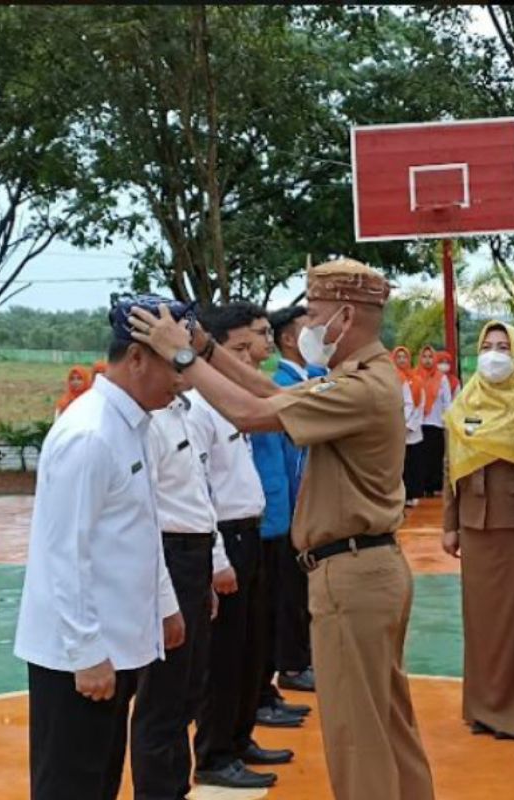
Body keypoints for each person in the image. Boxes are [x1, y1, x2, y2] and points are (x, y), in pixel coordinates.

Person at [127, 258, 435, 800]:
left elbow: (250, 413)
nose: (306, 327)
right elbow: (272, 394)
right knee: (386, 722)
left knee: (357, 737)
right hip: (365, 567)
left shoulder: (360, 388)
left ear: (343, 316)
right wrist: (204, 349)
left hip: (352, 571)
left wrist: (180, 354)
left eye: (314, 313)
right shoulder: (361, 378)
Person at [13, 296, 186, 800]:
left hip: (114, 646)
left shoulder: (130, 426)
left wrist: (167, 606)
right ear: (136, 358)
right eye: (173, 363)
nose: (182, 378)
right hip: (80, 655)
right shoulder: (89, 435)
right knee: (73, 784)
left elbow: (140, 526)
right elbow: (62, 554)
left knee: (100, 780)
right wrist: (87, 653)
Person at [189, 302, 298, 791]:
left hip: (250, 531)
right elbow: (198, 489)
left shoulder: (233, 401)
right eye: (234, 350)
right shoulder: (197, 406)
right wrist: (216, 558)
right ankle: (214, 753)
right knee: (225, 656)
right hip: (226, 537)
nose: (248, 359)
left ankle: (238, 738)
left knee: (251, 649)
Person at [441, 321, 514, 740]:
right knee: (481, 621)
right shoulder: (466, 399)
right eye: (488, 345)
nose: (496, 354)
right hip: (475, 523)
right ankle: (484, 708)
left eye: (505, 346)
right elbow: (451, 465)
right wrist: (450, 525)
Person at [132, 384, 236, 800]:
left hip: (193, 557)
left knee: (188, 689)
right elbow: (148, 512)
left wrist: (210, 566)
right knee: (163, 695)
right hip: (169, 556)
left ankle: (176, 788)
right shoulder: (151, 423)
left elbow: (200, 499)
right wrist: (165, 598)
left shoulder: (184, 413)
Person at [261, 304, 322, 694]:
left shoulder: (314, 377)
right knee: (286, 594)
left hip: (306, 507)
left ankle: (302, 657)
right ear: (288, 338)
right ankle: (292, 664)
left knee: (303, 592)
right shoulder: (280, 385)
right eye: (308, 328)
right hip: (288, 508)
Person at [415, 344, 453, 498]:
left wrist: (447, 420)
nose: (428, 359)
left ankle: (435, 486)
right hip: (418, 424)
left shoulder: (441, 378)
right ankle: (421, 486)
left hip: (436, 422)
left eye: (430, 356)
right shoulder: (414, 376)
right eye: (424, 356)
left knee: (436, 456)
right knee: (420, 457)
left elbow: (447, 401)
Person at [390, 346, 425, 507]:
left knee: (414, 463)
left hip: (413, 429)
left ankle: (414, 494)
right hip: (395, 431)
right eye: (399, 357)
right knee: (400, 466)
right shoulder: (390, 378)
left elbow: (418, 405)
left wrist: (408, 424)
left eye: (405, 357)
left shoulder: (417, 380)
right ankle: (401, 496)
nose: (402, 360)